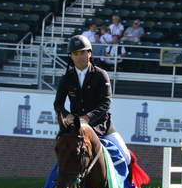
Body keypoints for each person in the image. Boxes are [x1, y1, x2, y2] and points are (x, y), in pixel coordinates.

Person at [54, 35, 130, 164]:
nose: (79, 57)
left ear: (89, 53)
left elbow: (106, 102)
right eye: (75, 53)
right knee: (64, 158)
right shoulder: (66, 78)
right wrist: (67, 116)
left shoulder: (101, 75)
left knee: (126, 157)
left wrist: (88, 117)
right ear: (71, 56)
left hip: (101, 126)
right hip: (77, 128)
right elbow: (58, 104)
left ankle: (126, 185)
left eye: (82, 52)